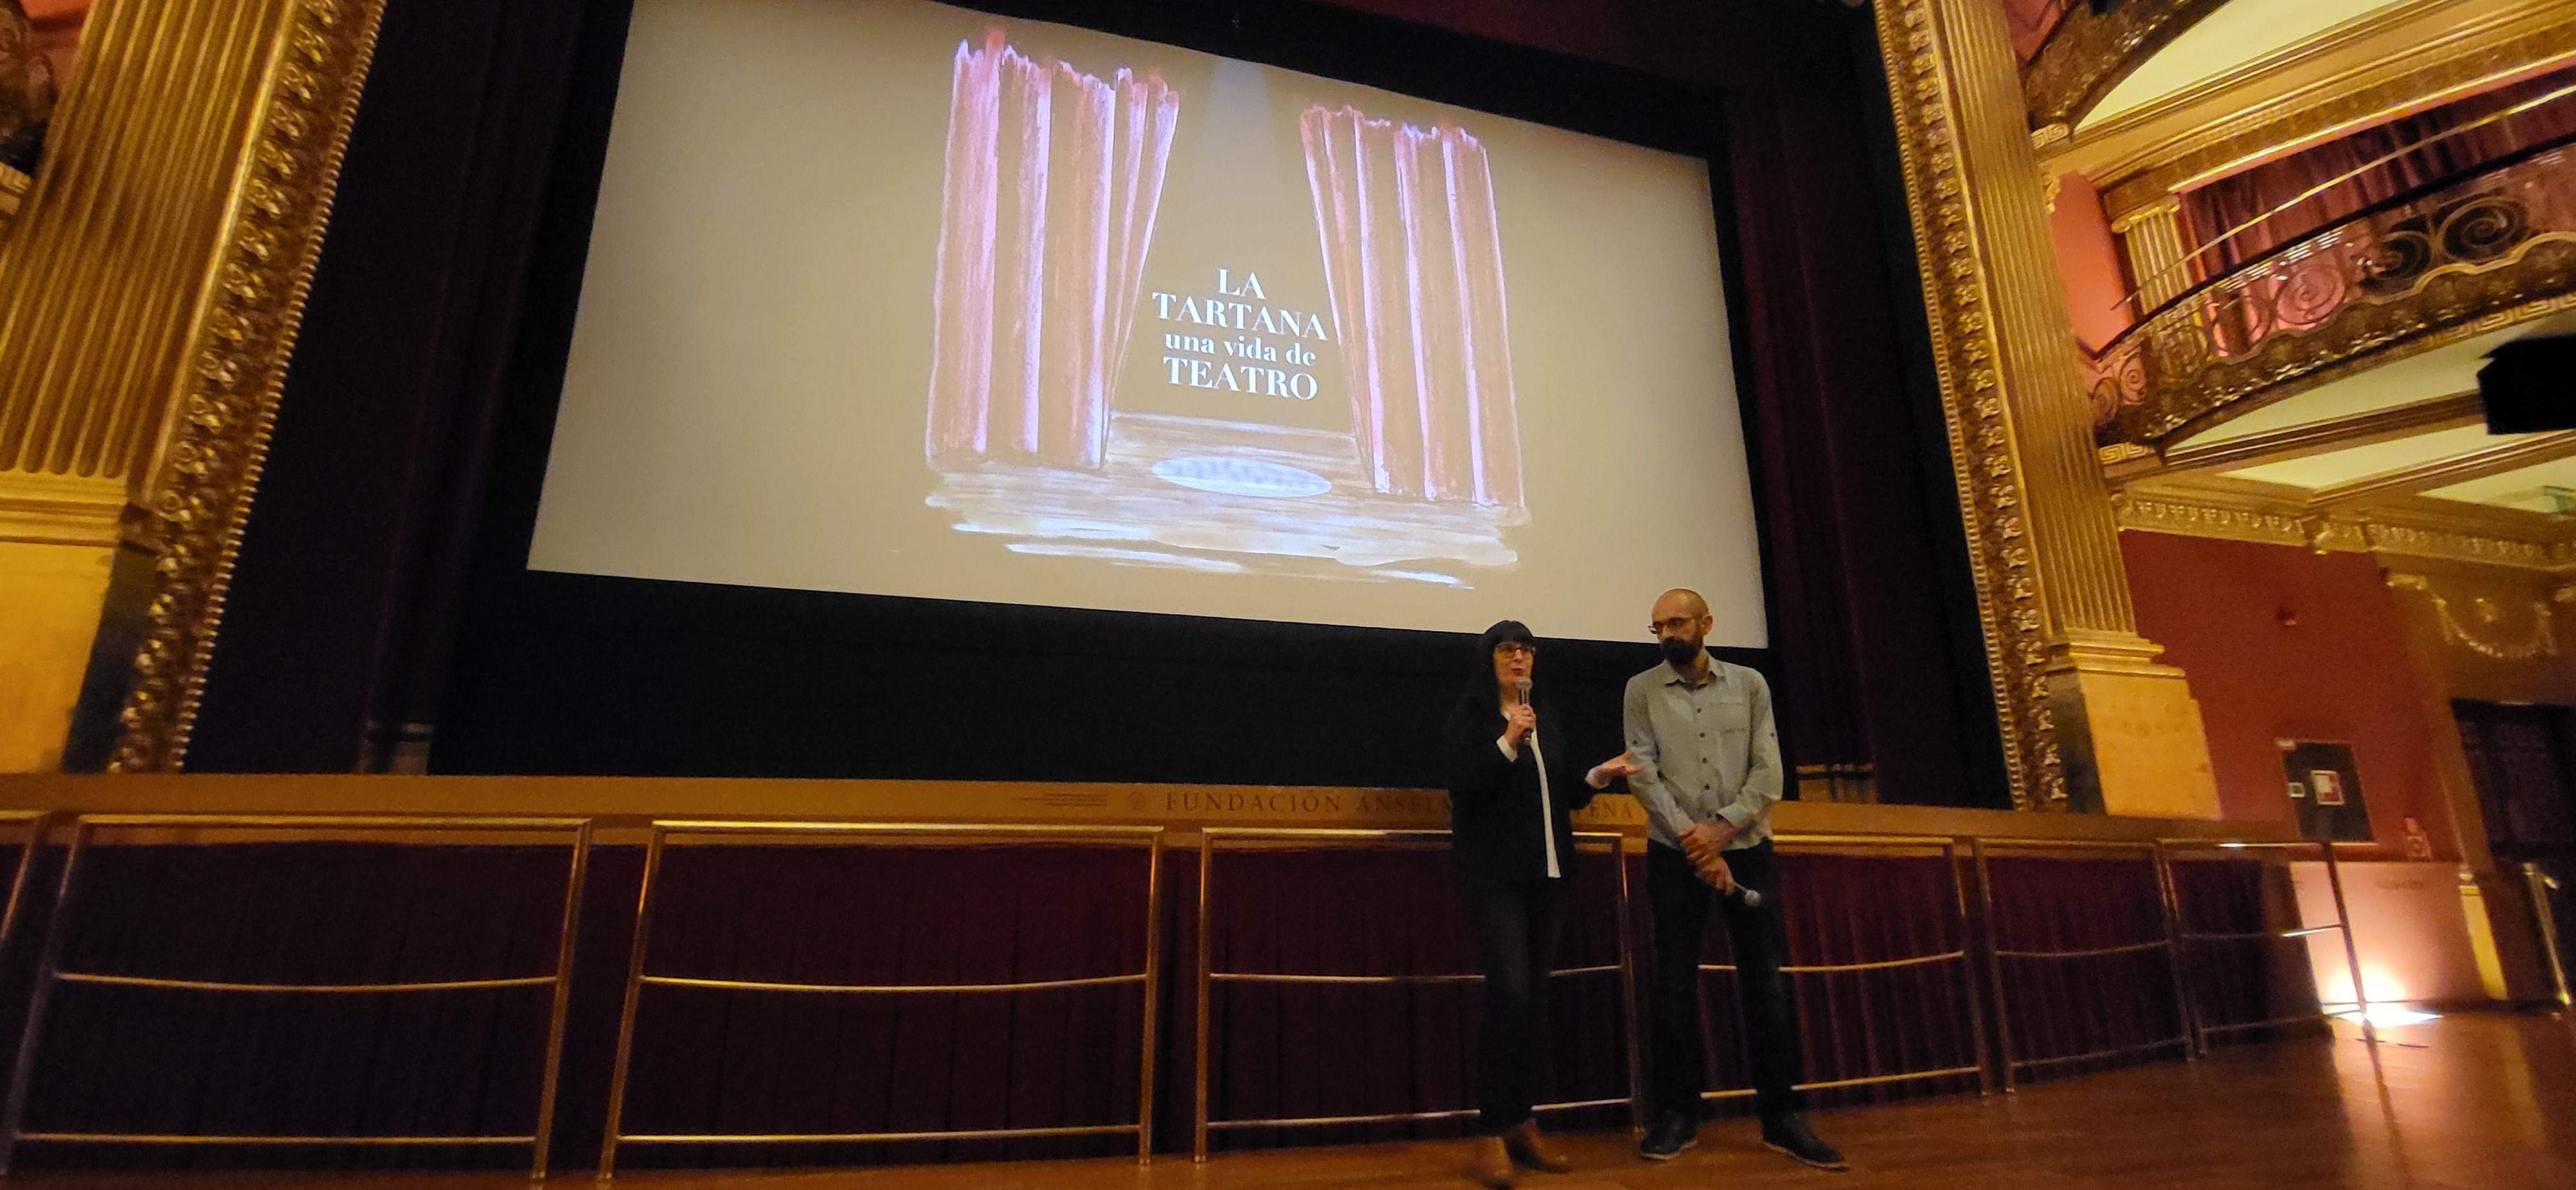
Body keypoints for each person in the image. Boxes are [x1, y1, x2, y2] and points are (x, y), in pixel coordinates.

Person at [1624, 589, 1845, 1171]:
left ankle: (1782, 1118)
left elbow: (1767, 771)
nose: (1668, 633)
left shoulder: (1749, 684)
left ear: (1705, 624)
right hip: (1673, 856)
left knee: (1766, 986)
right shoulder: (1640, 690)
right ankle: (1677, 1116)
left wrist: (1720, 831)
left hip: (1747, 849)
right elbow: (1642, 773)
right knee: (1672, 987)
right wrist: (1694, 840)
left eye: (1676, 622)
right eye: (1658, 627)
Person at [1444, 619, 1640, 1188]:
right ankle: (1489, 1133)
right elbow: (1465, 786)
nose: (1520, 658)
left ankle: (1520, 1124)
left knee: (1532, 999)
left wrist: (1599, 775)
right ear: (1490, 659)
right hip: (1496, 878)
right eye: (1509, 650)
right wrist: (1507, 740)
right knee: (1507, 993)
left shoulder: (1545, 718)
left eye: (1527, 650)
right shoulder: (1473, 720)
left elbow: (1562, 792)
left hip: (1550, 877)